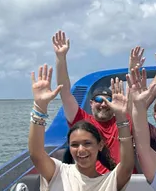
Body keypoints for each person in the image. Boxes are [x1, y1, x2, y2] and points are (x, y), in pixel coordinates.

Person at [28, 64, 135, 191]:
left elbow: (127, 165)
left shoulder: (108, 181)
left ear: (99, 146)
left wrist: (122, 118)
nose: (81, 150)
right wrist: (40, 107)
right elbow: (36, 153)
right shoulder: (59, 172)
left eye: (87, 143)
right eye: (75, 145)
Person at [53, 30, 132, 174]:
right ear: (91, 103)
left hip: (125, 183)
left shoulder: (124, 121)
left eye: (108, 100)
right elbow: (64, 92)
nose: (103, 104)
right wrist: (61, 57)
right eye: (98, 100)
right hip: (94, 183)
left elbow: (139, 105)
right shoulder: (82, 120)